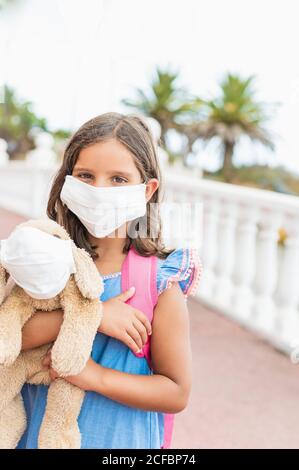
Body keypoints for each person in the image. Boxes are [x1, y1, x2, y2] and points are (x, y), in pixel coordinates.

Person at [17, 112, 202, 449]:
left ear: (147, 190)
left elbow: (176, 392)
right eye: (85, 175)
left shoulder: (159, 284)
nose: (99, 190)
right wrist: (95, 315)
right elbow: (11, 335)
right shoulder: (45, 259)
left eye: (118, 179)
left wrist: (96, 377)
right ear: (67, 182)